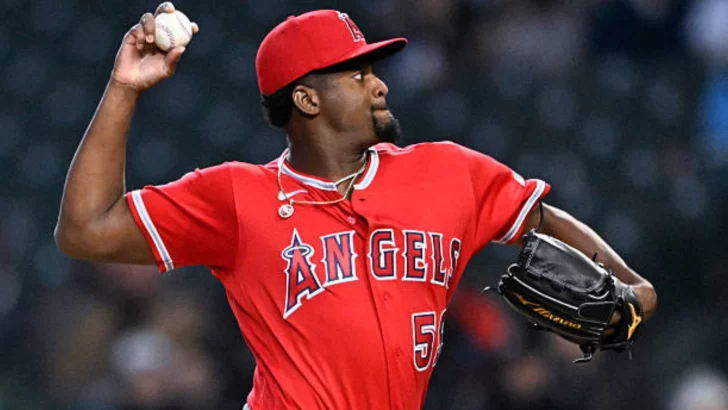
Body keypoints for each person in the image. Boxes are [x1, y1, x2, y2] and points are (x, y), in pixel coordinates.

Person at [55, 3, 657, 409]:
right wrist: (124, 89)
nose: (380, 83)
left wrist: (632, 285)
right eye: (357, 74)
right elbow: (85, 229)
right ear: (307, 99)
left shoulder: (447, 173)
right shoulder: (238, 196)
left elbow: (541, 219)